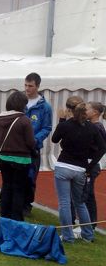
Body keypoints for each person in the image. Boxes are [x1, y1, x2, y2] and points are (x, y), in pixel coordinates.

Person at [51, 99, 106, 243]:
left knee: (64, 203)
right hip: (81, 168)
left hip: (64, 165)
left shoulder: (65, 125)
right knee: (80, 203)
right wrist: (90, 166)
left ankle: (68, 236)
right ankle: (88, 234)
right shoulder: (92, 128)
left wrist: (62, 121)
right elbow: (102, 148)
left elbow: (55, 139)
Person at [0, 91, 36, 221]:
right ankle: (16, 218)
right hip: (21, 160)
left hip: (3, 158)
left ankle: (4, 215)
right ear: (22, 105)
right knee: (19, 189)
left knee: (6, 186)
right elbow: (30, 142)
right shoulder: (24, 121)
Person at [23, 73, 52, 215]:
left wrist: (34, 140)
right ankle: (7, 203)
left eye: (30, 86)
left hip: (32, 149)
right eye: (25, 85)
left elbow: (47, 128)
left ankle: (26, 206)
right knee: (13, 177)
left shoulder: (45, 107)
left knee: (30, 178)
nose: (27, 88)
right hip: (17, 147)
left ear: (38, 86)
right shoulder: (20, 102)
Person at [84, 101, 106, 229]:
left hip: (91, 165)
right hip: (89, 163)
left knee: (88, 195)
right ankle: (89, 222)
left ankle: (90, 224)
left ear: (95, 112)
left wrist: (90, 166)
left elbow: (102, 148)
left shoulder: (98, 127)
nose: (84, 111)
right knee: (86, 194)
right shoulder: (92, 126)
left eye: (87, 109)